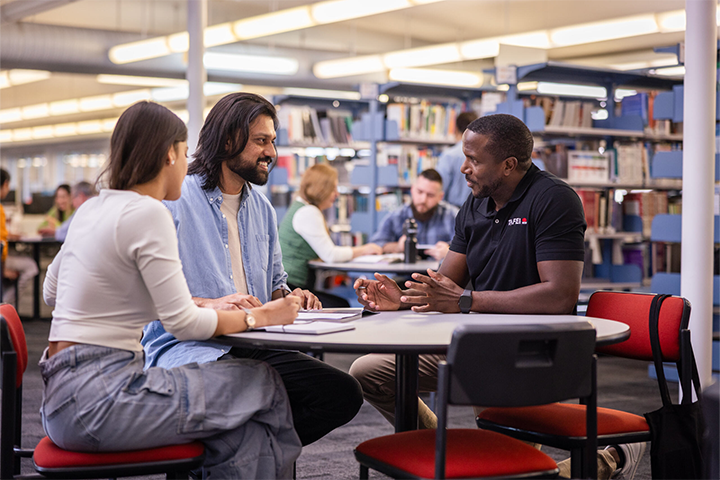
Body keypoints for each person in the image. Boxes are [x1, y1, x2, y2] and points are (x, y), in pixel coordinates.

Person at [351, 113, 643, 480]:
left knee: (499, 472)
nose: (463, 169)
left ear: (507, 165)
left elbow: (558, 295)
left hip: (533, 352)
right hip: (476, 345)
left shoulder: (554, 200)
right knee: (368, 371)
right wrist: (404, 299)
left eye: (473, 160)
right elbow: (445, 283)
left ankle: (607, 460)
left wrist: (467, 302)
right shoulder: (475, 204)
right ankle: (449, 458)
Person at [40, 101, 303, 478]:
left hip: (59, 398)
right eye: (184, 154)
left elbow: (52, 292)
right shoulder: (149, 212)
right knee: (264, 384)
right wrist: (262, 316)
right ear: (169, 154)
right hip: (103, 399)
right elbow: (183, 324)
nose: (188, 165)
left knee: (240, 431)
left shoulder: (92, 210)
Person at [141, 92, 364, 446]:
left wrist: (292, 298)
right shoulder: (175, 201)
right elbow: (147, 297)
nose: (271, 153)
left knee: (343, 394)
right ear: (228, 140)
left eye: (272, 142)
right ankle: (237, 457)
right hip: (192, 344)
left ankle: (249, 454)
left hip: (254, 340)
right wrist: (211, 303)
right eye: (261, 141)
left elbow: (275, 286)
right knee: (255, 392)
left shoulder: (261, 208)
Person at [278, 163, 382, 307]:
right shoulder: (308, 212)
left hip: (290, 286)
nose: (337, 194)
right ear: (322, 189)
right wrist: (364, 250)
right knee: (341, 305)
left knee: (338, 302)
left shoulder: (300, 207)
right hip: (293, 288)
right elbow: (331, 255)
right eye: (333, 188)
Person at [369, 169, 458, 261]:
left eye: (430, 195)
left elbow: (468, 249)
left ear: (440, 197)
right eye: (419, 192)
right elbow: (375, 246)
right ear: (412, 189)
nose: (423, 200)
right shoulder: (396, 216)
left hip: (439, 273)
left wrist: (450, 253)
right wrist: (398, 247)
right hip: (404, 274)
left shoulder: (453, 216)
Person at [0, 168, 39, 305]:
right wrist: (3, 269)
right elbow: (1, 243)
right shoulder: (0, 209)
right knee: (31, 266)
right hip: (1, 261)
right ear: (5, 184)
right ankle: (6, 305)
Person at [435, 110, 478, 207]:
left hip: (452, 211)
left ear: (456, 129)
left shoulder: (449, 155)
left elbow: (440, 188)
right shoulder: (482, 155)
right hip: (476, 211)